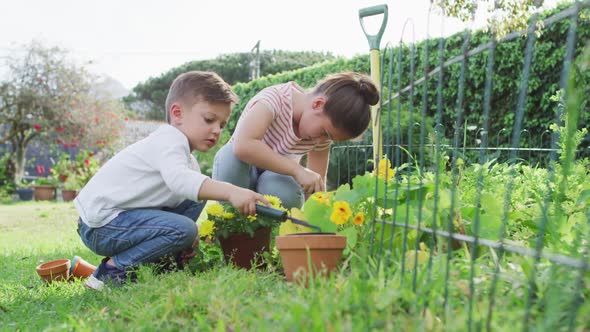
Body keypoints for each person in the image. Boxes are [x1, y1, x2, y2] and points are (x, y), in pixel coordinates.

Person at [74, 71, 269, 291]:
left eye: (222, 125)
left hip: (118, 221)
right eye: (209, 119)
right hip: (101, 226)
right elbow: (180, 181)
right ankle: (111, 272)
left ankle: (165, 260)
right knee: (186, 225)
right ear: (177, 114)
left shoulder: (188, 159)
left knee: (196, 198)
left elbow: (187, 186)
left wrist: (185, 241)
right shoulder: (169, 139)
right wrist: (232, 191)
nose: (216, 130)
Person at [213, 72, 379, 209]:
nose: (322, 140)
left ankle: (267, 234)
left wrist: (319, 217)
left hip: (272, 181)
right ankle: (228, 222)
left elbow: (315, 184)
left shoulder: (319, 135)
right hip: (240, 172)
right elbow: (244, 146)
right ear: (318, 104)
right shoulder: (274, 99)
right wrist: (298, 171)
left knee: (287, 191)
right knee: (230, 158)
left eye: (329, 138)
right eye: (325, 133)